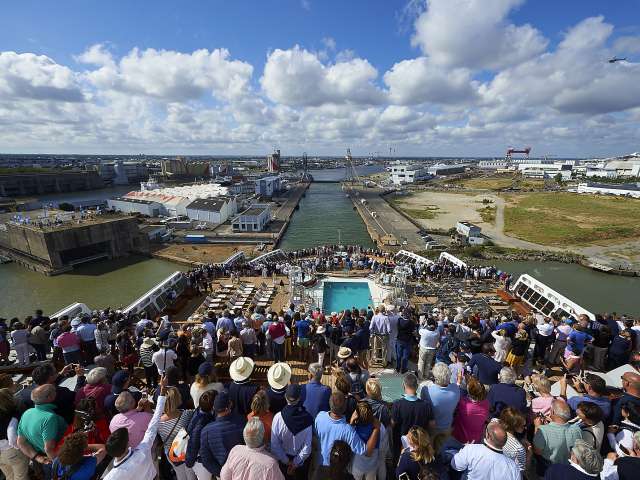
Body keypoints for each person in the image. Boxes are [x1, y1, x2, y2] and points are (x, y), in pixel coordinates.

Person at [102, 375, 168, 480]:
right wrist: (162, 391)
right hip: (149, 456)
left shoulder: (114, 421)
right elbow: (156, 421)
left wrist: (137, 409)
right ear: (133, 403)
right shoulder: (143, 448)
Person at [314, 391, 380, 468]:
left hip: (319, 465)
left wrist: (351, 423)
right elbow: (367, 452)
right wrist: (376, 429)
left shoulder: (319, 417)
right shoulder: (348, 431)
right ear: (345, 407)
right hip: (336, 469)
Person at [199, 391, 246, 479]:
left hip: (223, 474)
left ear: (214, 407)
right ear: (229, 406)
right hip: (241, 472)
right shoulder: (242, 421)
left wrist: (222, 473)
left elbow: (206, 459)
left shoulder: (206, 431)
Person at [451, 421, 520, 480]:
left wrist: (464, 450)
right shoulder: (513, 467)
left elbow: (456, 465)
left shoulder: (471, 449)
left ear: (488, 436)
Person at [270, 384, 313, 480]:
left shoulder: (278, 418)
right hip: (300, 463)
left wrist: (287, 461)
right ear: (299, 398)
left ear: (286, 397)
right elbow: (307, 448)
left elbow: (274, 445)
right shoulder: (308, 419)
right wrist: (295, 463)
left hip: (283, 461)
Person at [220, 417, 285, 480]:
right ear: (262, 436)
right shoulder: (270, 464)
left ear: (244, 435)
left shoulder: (235, 450)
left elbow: (224, 476)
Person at [16, 384, 67, 465]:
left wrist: (37, 457)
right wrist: (60, 465)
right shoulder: (50, 418)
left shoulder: (27, 412)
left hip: (40, 459)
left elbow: (21, 442)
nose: (56, 392)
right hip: (54, 459)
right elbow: (48, 449)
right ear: (49, 397)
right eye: (54, 391)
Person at [391, 373, 435, 462]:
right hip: (419, 444)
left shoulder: (397, 404)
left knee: (400, 465)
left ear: (404, 385)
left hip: (401, 445)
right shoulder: (426, 405)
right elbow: (432, 425)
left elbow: (392, 424)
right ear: (417, 386)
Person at [533, 399, 583, 474]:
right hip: (569, 467)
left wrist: (537, 427)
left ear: (552, 412)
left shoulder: (543, 430)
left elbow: (537, 451)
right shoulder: (577, 429)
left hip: (550, 468)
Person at [158, 386, 195, 480]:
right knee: (190, 475)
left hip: (171, 454)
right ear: (177, 399)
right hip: (185, 451)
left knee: (180, 475)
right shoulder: (187, 414)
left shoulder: (157, 422)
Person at [420, 362, 460, 440]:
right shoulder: (456, 389)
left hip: (431, 429)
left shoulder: (426, 390)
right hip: (447, 428)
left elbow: (423, 406)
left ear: (435, 377)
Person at [185, 390, 216, 480]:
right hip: (200, 462)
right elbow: (193, 444)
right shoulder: (201, 424)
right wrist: (189, 462)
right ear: (213, 407)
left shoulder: (199, 410)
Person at [350, 400, 385, 480]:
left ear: (357, 415)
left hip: (358, 465)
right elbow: (382, 445)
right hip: (372, 465)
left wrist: (351, 421)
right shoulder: (379, 426)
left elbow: (349, 441)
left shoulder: (354, 429)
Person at [0, 388, 29, 480]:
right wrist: (19, 448)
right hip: (11, 451)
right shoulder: (11, 416)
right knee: (21, 477)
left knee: (9, 476)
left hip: (1, 454)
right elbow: (12, 435)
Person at [451, 376, 490, 444]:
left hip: (460, 438)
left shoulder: (463, 403)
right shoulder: (486, 403)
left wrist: (458, 384)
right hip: (476, 440)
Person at [496, 407, 529, 472]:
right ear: (514, 426)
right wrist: (529, 454)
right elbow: (520, 470)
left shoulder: (494, 424)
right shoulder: (518, 448)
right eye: (522, 426)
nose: (525, 428)